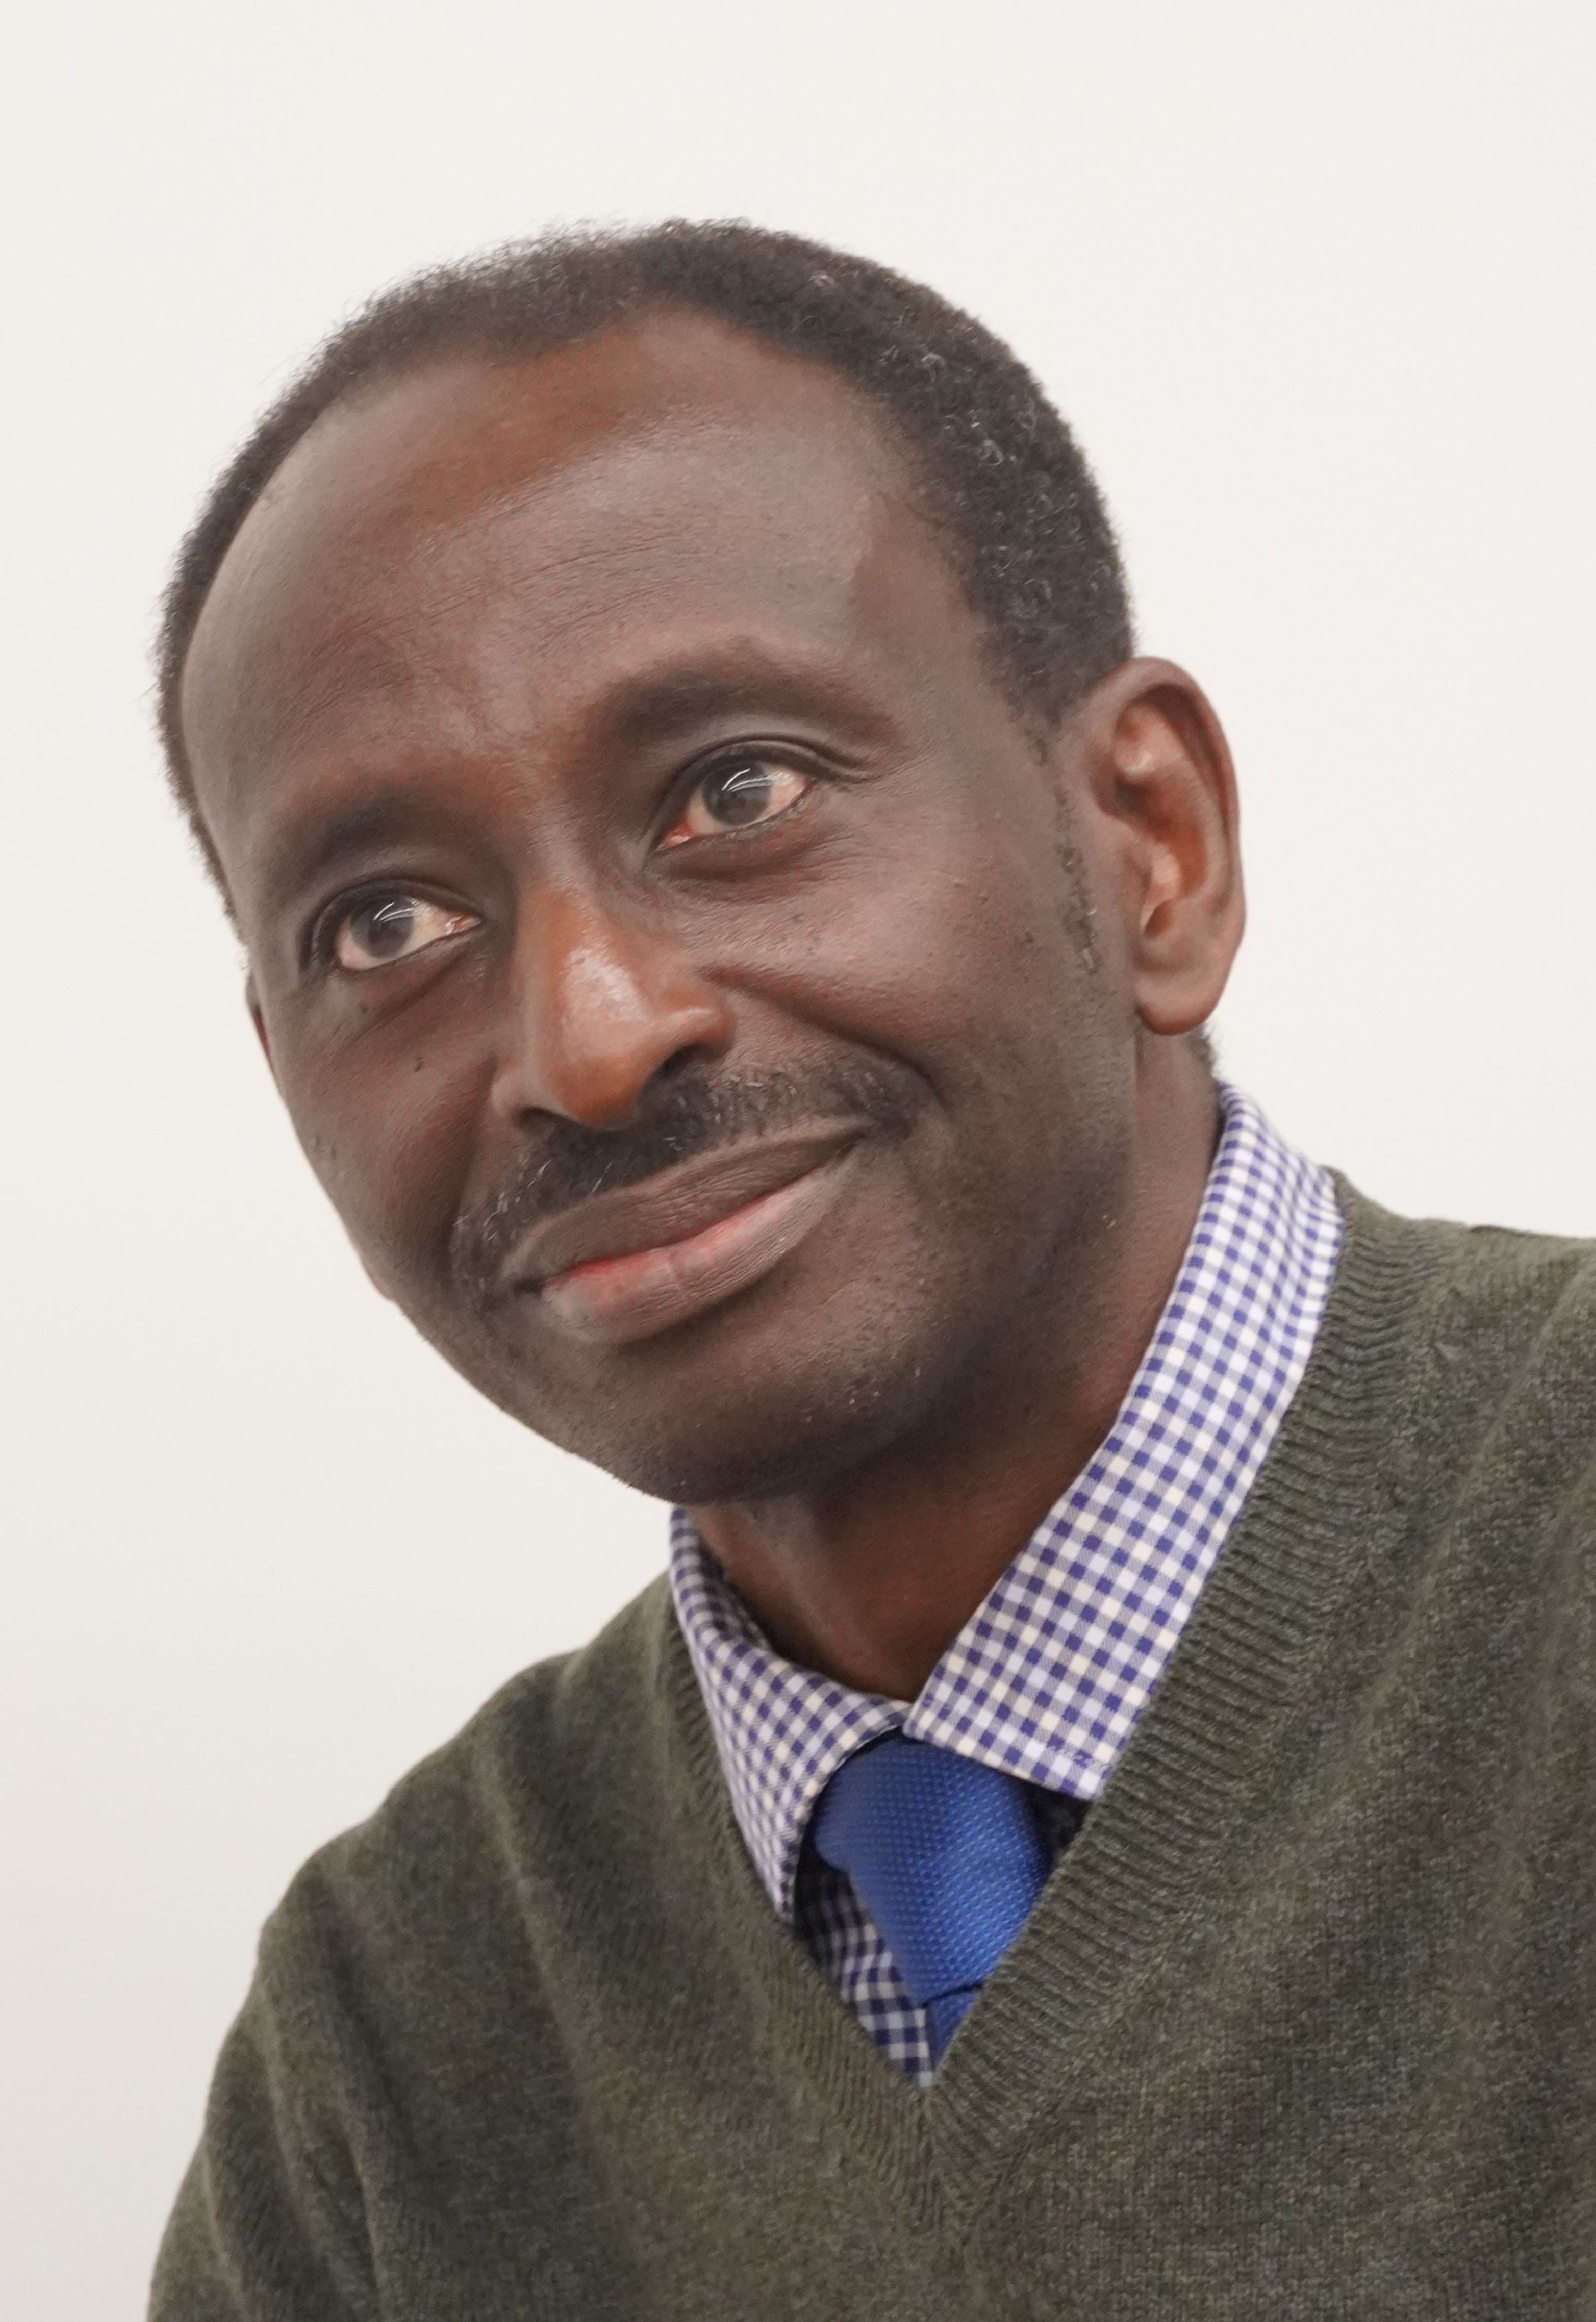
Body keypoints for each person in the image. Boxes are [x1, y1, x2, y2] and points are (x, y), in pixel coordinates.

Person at [149, 222, 1595, 2319]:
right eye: (386, 925)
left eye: (734, 792)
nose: (588, 1038)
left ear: (1151, 842)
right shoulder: (395, 2031)